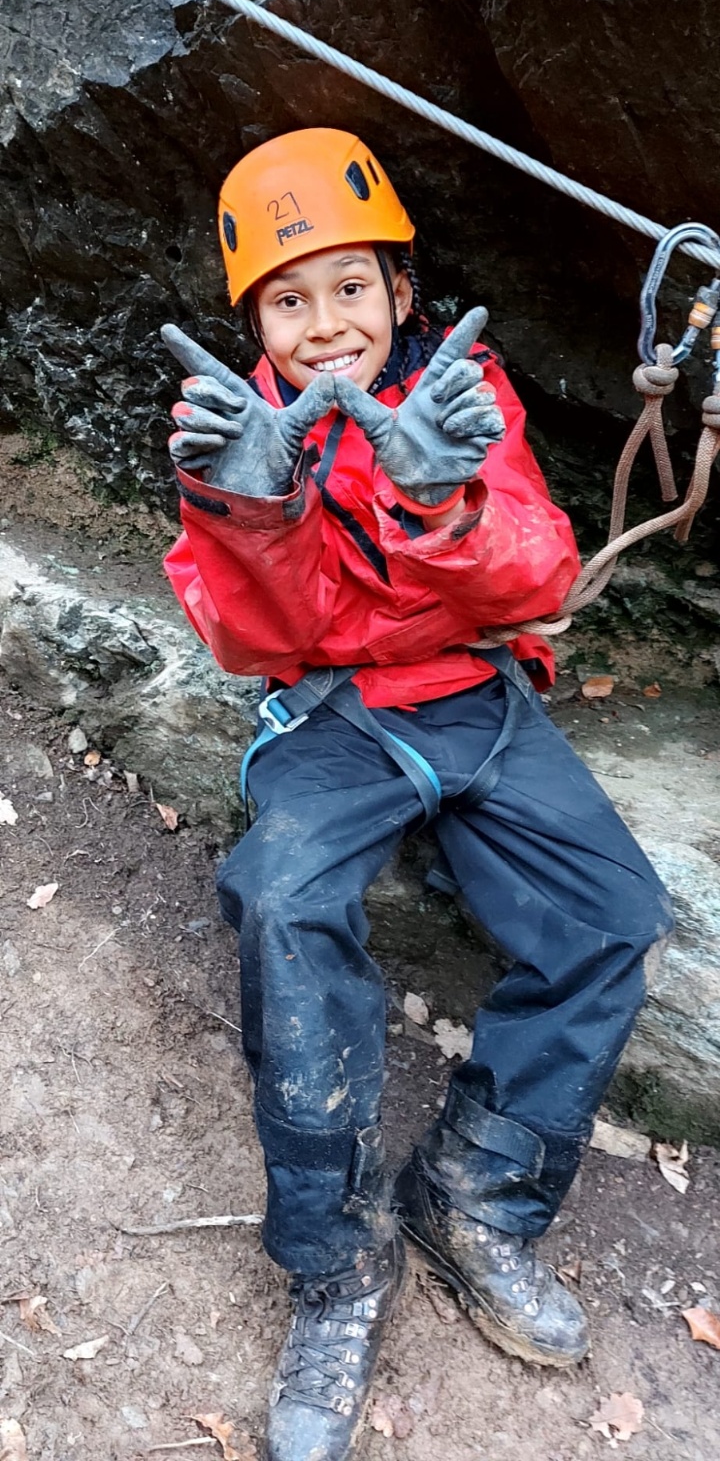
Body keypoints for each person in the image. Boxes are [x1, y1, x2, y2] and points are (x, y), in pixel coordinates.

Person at [161, 128, 673, 1461]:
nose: (326, 324)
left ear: (401, 289)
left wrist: (445, 500)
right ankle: (336, 1263)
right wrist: (249, 508)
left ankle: (474, 1196)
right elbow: (254, 639)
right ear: (255, 325)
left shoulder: (458, 393)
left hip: (471, 694)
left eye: (350, 286)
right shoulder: (231, 431)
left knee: (613, 913)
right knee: (285, 903)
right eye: (288, 300)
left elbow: (538, 574)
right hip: (334, 714)